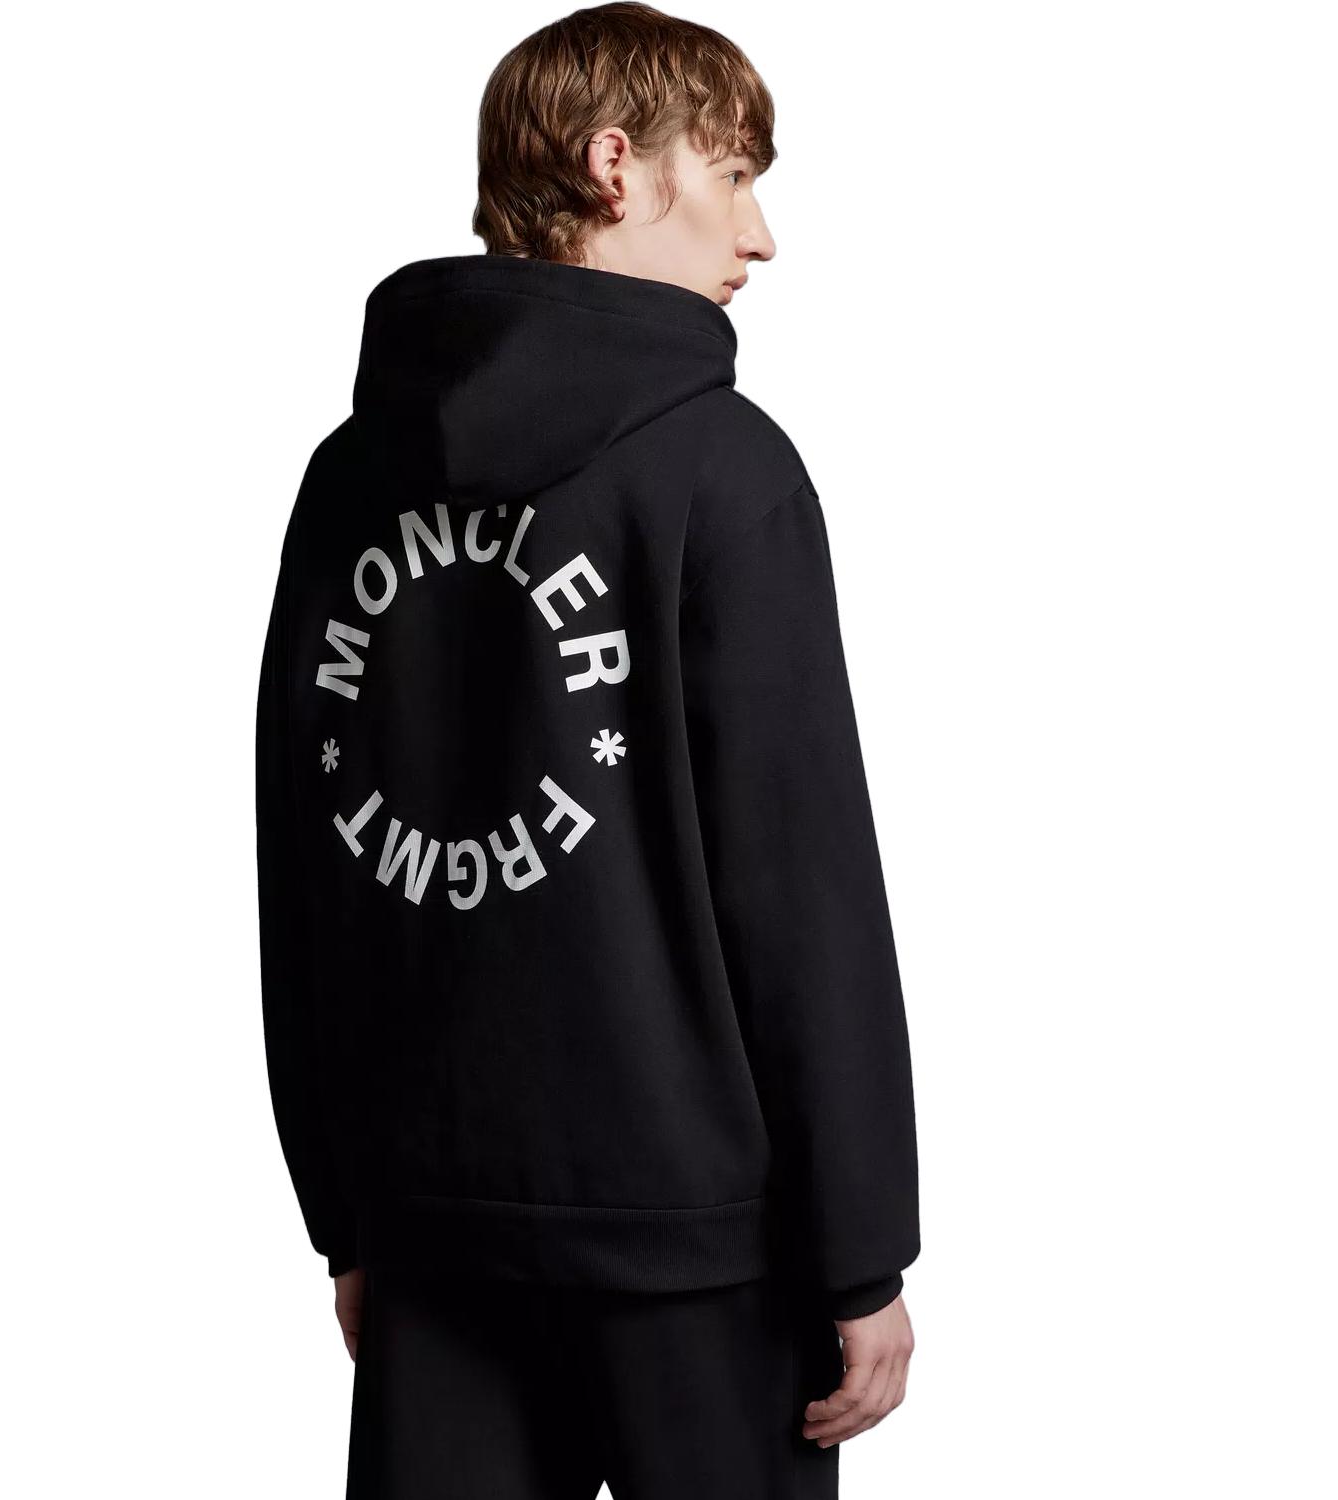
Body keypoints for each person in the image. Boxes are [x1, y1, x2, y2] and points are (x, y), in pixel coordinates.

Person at [255, 5, 920, 1494]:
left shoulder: (348, 476)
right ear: (618, 166)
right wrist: (862, 1250)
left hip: (429, 1230)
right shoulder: (722, 467)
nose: (761, 236)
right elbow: (798, 877)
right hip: (699, 1251)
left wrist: (347, 1217)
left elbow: (302, 863)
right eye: (732, 175)